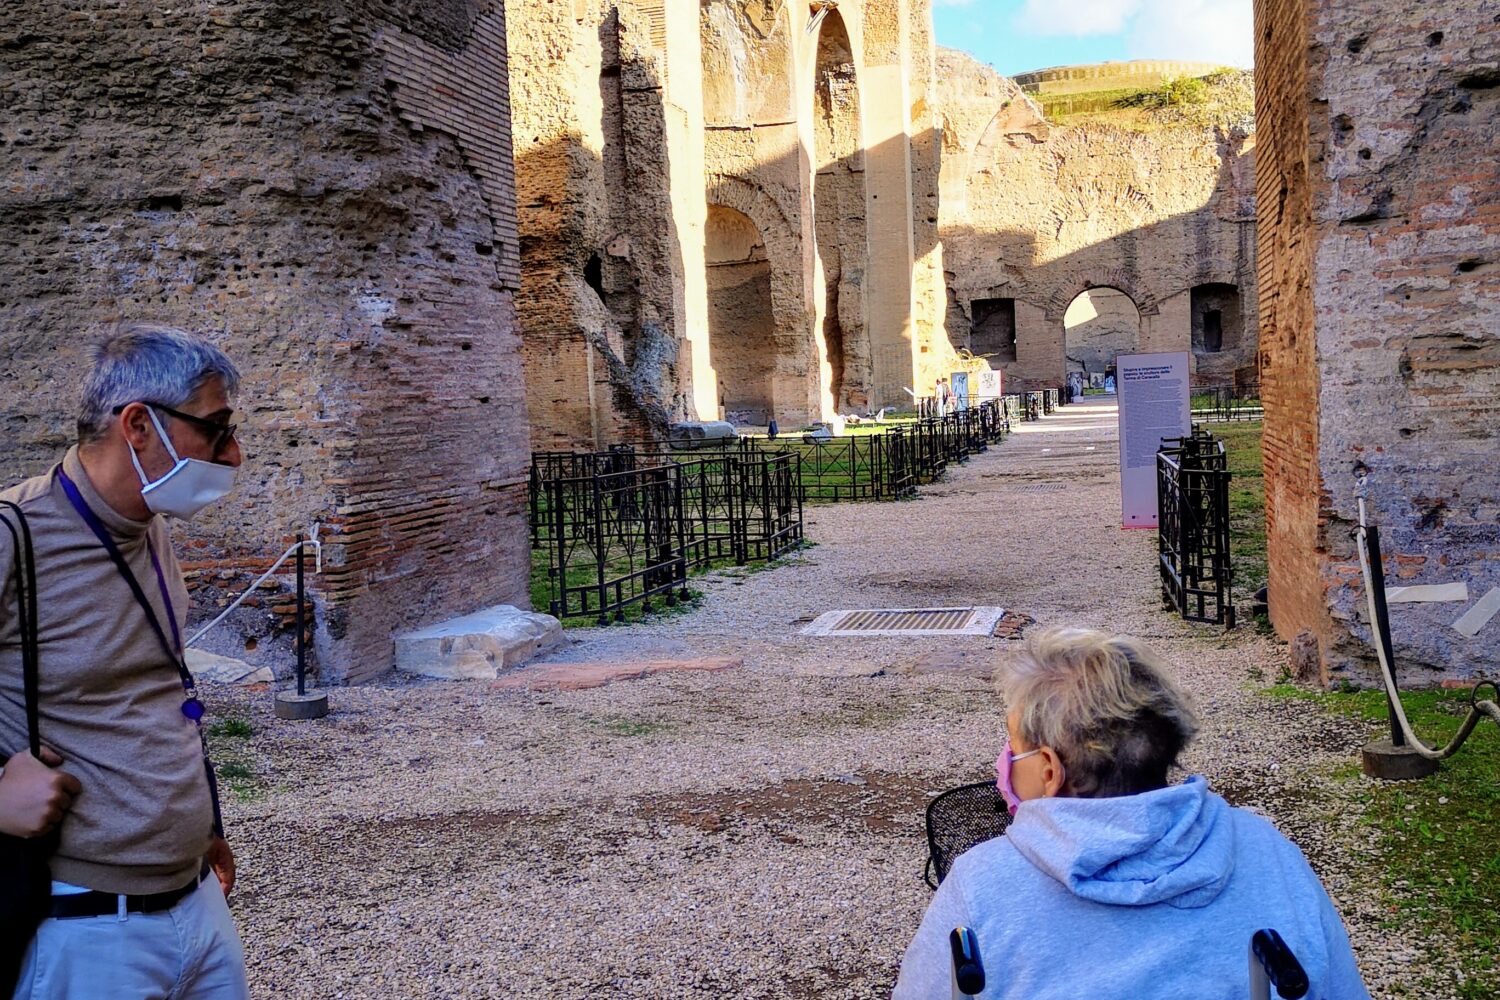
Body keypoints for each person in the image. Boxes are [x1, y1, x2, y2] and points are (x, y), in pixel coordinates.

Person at [894, 628, 1369, 1000]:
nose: (1003, 761)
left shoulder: (981, 883)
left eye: (1013, 748)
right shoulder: (1267, 849)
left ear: (1048, 771)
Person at [0, 325, 251, 1000]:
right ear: (138, 425)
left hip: (196, 902)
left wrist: (206, 824)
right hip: (86, 927)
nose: (235, 452)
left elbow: (159, 688)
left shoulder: (150, 527)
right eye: (216, 427)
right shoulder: (14, 537)